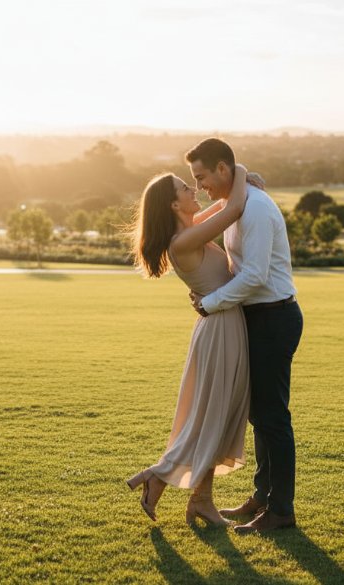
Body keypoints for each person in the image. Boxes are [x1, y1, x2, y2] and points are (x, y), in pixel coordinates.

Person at [126, 163, 256, 527]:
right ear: (173, 205)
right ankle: (161, 475)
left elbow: (222, 209)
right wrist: (240, 171)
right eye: (186, 186)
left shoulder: (190, 232)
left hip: (223, 325)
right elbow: (231, 210)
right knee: (212, 417)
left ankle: (200, 500)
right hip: (220, 330)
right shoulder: (183, 241)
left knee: (219, 416)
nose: (194, 189)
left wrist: (239, 185)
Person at [187, 138, 303, 534]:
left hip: (274, 318)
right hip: (258, 319)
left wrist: (210, 302)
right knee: (260, 415)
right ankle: (263, 495)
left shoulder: (253, 208)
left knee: (272, 418)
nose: (200, 187)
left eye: (201, 177)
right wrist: (242, 173)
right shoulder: (239, 200)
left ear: (222, 169)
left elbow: (254, 276)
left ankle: (281, 510)